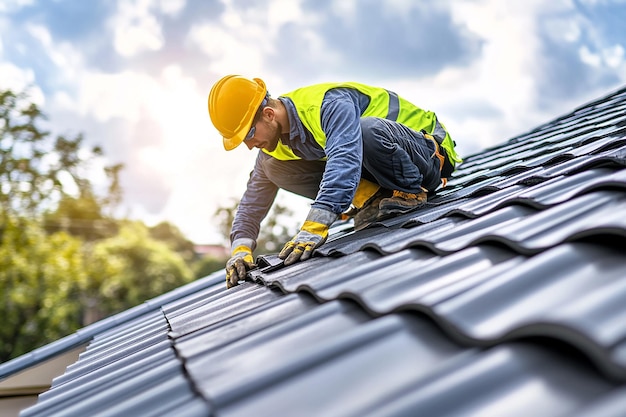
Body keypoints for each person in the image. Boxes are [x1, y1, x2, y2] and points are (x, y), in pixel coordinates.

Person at [208, 75, 462, 288]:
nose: (250, 145)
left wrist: (315, 227)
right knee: (273, 167)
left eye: (249, 134)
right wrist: (240, 251)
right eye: (243, 141)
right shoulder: (273, 146)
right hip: (382, 170)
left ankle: (409, 191)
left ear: (269, 114)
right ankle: (373, 198)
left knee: (364, 131)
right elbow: (252, 201)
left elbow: (345, 157)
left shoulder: (327, 104)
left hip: (426, 155)